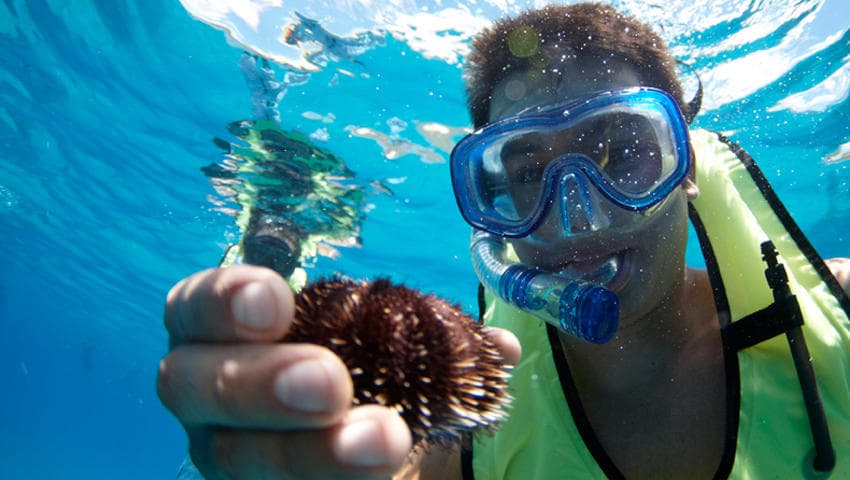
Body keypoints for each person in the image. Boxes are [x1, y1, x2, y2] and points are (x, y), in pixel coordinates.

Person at [157, 3, 850, 479]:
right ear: (491, 204)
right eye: (526, 173)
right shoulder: (462, 436)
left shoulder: (841, 321)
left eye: (620, 153)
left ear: (685, 166)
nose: (579, 217)